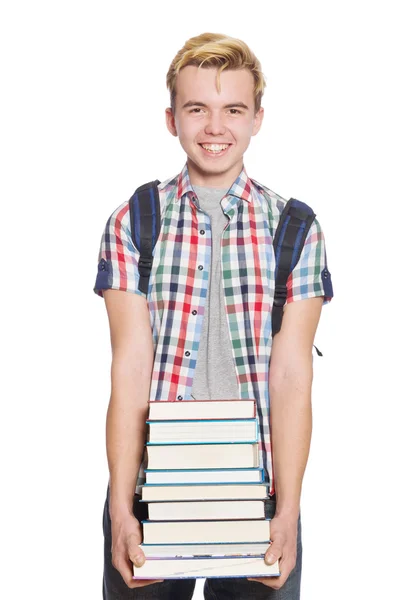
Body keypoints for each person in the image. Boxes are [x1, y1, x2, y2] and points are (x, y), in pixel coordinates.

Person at [93, 32, 333, 600]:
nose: (215, 127)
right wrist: (122, 509)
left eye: (233, 110)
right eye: (196, 108)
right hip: (154, 483)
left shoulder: (294, 227)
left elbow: (293, 377)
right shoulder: (135, 220)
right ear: (171, 118)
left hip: (258, 488)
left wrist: (289, 512)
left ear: (257, 119)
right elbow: (129, 367)